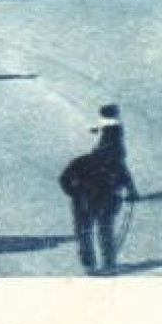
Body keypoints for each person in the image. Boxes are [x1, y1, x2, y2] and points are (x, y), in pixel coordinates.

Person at [60, 107, 139, 275]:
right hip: (105, 200)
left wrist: (74, 192)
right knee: (105, 232)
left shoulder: (80, 161)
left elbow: (64, 179)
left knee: (84, 233)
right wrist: (132, 193)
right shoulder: (114, 162)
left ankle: (90, 264)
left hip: (83, 202)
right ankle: (109, 264)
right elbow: (125, 177)